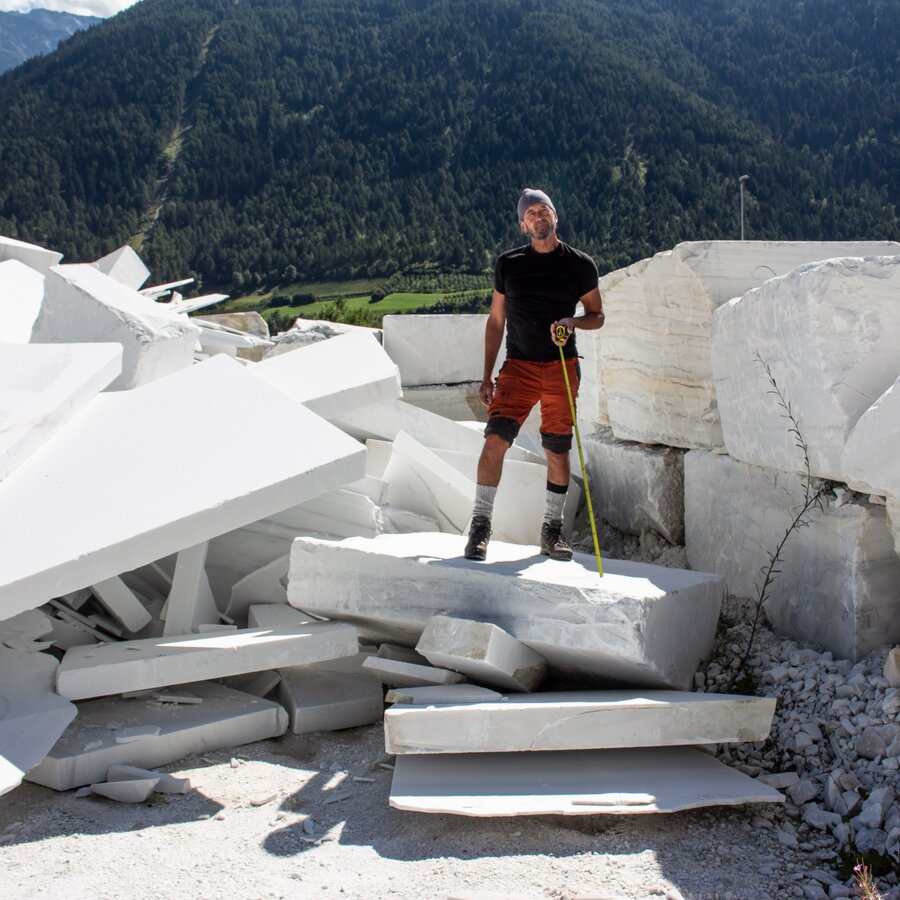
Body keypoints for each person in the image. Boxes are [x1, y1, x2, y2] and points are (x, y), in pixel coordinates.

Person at [464, 188, 605, 562]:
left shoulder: (580, 264)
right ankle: (480, 528)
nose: (539, 216)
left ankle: (552, 532)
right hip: (519, 367)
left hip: (561, 367)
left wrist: (573, 321)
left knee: (556, 449)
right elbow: (496, 321)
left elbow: (597, 315)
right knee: (495, 441)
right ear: (522, 224)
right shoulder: (508, 264)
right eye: (531, 213)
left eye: (544, 210)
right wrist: (486, 375)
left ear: (555, 217)